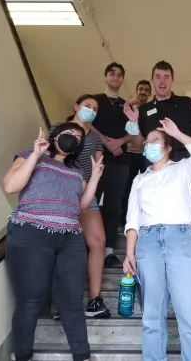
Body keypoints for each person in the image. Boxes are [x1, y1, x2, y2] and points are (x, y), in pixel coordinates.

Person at [4, 124, 104, 361]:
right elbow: (11, 186)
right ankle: (23, 355)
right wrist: (37, 154)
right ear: (55, 136)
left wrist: (95, 178)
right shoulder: (29, 156)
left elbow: (80, 205)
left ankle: (82, 355)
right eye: (71, 134)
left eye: (79, 137)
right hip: (31, 234)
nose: (75, 138)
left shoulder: (76, 172)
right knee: (30, 300)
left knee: (72, 301)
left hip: (70, 238)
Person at [123, 118, 191, 361]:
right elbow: (132, 221)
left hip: (180, 239)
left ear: (167, 147)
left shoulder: (183, 169)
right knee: (151, 317)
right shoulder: (139, 180)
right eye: (147, 141)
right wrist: (129, 253)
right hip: (147, 243)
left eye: (156, 141)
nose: (149, 145)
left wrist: (177, 132)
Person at [51, 94, 110, 319]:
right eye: (87, 106)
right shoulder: (58, 128)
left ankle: (94, 301)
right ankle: (63, 303)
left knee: (98, 241)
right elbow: (48, 157)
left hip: (87, 192)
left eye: (94, 108)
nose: (91, 110)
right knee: (66, 247)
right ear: (76, 106)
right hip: (62, 192)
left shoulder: (94, 137)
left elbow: (97, 162)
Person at [90, 62, 133, 267]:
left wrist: (120, 142)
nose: (115, 78)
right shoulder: (95, 101)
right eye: (112, 74)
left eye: (119, 75)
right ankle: (87, 246)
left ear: (123, 79)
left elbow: (134, 133)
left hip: (120, 160)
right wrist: (106, 141)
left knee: (114, 205)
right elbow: (86, 124)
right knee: (90, 202)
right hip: (95, 160)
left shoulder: (127, 106)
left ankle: (108, 251)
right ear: (106, 76)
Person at [123, 60, 191, 162]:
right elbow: (139, 144)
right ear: (152, 80)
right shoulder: (143, 109)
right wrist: (133, 123)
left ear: (172, 80)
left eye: (166, 77)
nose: (162, 81)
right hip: (155, 163)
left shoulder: (186, 103)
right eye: (158, 77)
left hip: (184, 162)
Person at [122, 80, 152, 227]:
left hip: (147, 155)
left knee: (146, 188)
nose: (143, 92)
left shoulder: (150, 110)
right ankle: (124, 221)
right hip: (129, 153)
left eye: (146, 90)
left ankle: (145, 220)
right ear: (136, 91)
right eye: (140, 89)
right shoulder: (128, 108)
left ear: (150, 94)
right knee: (128, 187)